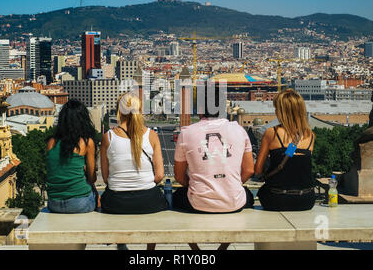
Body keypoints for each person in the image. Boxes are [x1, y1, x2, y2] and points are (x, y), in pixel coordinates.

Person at [173, 84, 255, 250]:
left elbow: (179, 176)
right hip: (233, 203)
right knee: (248, 197)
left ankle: (197, 251)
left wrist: (196, 186)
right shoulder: (239, 130)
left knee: (175, 198)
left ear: (201, 108)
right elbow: (249, 170)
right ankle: (223, 248)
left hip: (199, 203)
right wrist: (232, 183)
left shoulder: (187, 133)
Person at [100, 92, 168, 250]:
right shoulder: (151, 135)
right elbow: (159, 175)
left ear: (119, 111)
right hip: (149, 201)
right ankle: (149, 251)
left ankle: (121, 244)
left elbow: (105, 178)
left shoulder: (108, 137)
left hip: (116, 203)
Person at [255, 89, 316, 211]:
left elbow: (257, 170)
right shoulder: (310, 135)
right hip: (306, 200)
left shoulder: (272, 133)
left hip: (277, 199)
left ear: (282, 111)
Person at [46, 99, 98, 214]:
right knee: (95, 192)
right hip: (79, 204)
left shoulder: (51, 143)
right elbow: (92, 178)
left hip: (54, 204)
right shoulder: (86, 142)